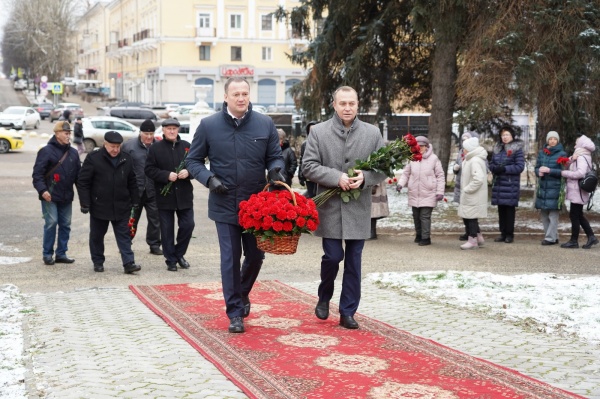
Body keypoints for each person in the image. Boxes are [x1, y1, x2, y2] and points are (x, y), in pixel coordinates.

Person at [186, 77, 285, 334]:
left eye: (245, 93)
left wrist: (276, 171)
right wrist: (209, 179)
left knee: (255, 255)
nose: (241, 98)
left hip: (256, 205)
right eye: (236, 94)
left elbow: (274, 155)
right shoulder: (209, 126)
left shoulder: (264, 123)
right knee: (230, 258)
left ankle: (241, 293)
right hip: (224, 202)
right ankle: (235, 312)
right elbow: (193, 161)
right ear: (226, 97)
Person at [302, 86, 386, 330]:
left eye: (352, 103)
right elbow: (308, 166)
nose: (347, 108)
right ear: (334, 105)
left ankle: (348, 311)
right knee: (333, 256)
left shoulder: (372, 133)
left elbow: (383, 167)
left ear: (358, 105)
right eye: (343, 103)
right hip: (328, 207)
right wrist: (335, 177)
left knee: (353, 261)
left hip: (358, 208)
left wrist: (367, 177)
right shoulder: (318, 132)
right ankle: (324, 295)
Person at [76, 131, 141, 274]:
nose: (115, 150)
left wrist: (136, 200)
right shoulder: (94, 158)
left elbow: (132, 181)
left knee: (124, 235)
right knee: (97, 236)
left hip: (121, 205)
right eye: (112, 146)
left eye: (118, 146)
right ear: (105, 144)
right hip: (100, 206)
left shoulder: (126, 158)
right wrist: (85, 202)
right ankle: (98, 261)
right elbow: (83, 182)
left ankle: (129, 263)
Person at [145, 118, 194, 271]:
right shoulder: (155, 148)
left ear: (178, 130)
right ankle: (171, 260)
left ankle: (179, 253)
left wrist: (189, 172)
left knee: (188, 225)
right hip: (164, 196)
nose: (172, 131)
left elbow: (195, 165)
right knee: (166, 230)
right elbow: (149, 169)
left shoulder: (187, 147)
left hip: (184, 195)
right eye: (168, 128)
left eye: (174, 128)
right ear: (164, 130)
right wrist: (166, 175)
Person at [32, 121, 81, 265]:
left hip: (66, 196)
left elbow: (79, 177)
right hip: (49, 196)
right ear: (57, 133)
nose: (68, 136)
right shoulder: (46, 151)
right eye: (66, 133)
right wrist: (43, 190)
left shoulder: (73, 152)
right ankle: (47, 254)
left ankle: (61, 253)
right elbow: (37, 175)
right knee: (51, 223)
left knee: (66, 224)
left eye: (69, 133)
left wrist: (84, 198)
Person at [122, 119, 163, 256]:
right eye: (146, 133)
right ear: (140, 133)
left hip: (153, 189)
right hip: (135, 190)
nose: (149, 137)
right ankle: (126, 243)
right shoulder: (129, 146)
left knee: (155, 218)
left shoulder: (158, 147)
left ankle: (154, 244)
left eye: (151, 133)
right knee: (132, 218)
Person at [396, 136, 445, 246]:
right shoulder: (412, 158)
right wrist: (400, 184)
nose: (420, 148)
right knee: (416, 216)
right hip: (414, 192)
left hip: (429, 192)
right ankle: (419, 235)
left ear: (427, 147)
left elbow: (440, 176)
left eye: (422, 146)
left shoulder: (433, 159)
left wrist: (440, 192)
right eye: (418, 146)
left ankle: (426, 237)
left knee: (425, 216)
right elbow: (406, 174)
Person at [560, 134, 598, 249]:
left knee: (575, 215)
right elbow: (567, 164)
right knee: (578, 215)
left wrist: (564, 174)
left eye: (576, 142)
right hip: (578, 190)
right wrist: (572, 159)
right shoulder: (582, 156)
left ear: (581, 145)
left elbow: (580, 173)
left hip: (578, 190)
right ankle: (591, 237)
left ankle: (574, 240)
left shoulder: (581, 157)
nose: (575, 144)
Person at [489, 126, 525, 243]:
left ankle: (509, 234)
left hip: (510, 184)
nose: (504, 137)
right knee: (501, 210)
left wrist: (504, 169)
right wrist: (494, 168)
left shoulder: (517, 149)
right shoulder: (497, 149)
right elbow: (492, 163)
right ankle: (502, 233)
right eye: (503, 135)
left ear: (512, 136)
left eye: (507, 135)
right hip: (499, 183)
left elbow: (520, 167)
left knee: (509, 210)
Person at [534, 131, 567, 246]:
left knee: (553, 215)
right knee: (544, 215)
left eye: (554, 139)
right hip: (543, 188)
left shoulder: (562, 154)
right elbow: (537, 167)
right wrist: (538, 172)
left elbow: (564, 172)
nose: (552, 141)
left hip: (555, 188)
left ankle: (550, 238)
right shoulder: (542, 153)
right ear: (547, 140)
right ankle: (553, 236)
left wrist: (550, 171)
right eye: (550, 139)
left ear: (557, 140)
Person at [458, 137, 488, 250]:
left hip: (473, 195)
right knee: (469, 216)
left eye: (464, 148)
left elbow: (478, 179)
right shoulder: (470, 159)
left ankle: (473, 240)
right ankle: (478, 237)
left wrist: (467, 189)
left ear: (469, 149)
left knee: (470, 218)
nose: (463, 150)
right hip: (471, 195)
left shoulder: (474, 160)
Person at [453, 131, 479, 240]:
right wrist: (455, 168)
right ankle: (468, 232)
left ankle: (474, 234)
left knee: (471, 213)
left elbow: (483, 169)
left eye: (466, 139)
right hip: (460, 185)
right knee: (464, 212)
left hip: (470, 186)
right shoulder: (461, 152)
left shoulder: (477, 154)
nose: (464, 142)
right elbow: (456, 163)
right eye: (463, 140)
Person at [298, 121, 318, 198]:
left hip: (319, 175)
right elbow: (302, 160)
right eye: (310, 130)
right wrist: (301, 176)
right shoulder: (305, 144)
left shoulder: (322, 142)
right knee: (311, 195)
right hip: (309, 176)